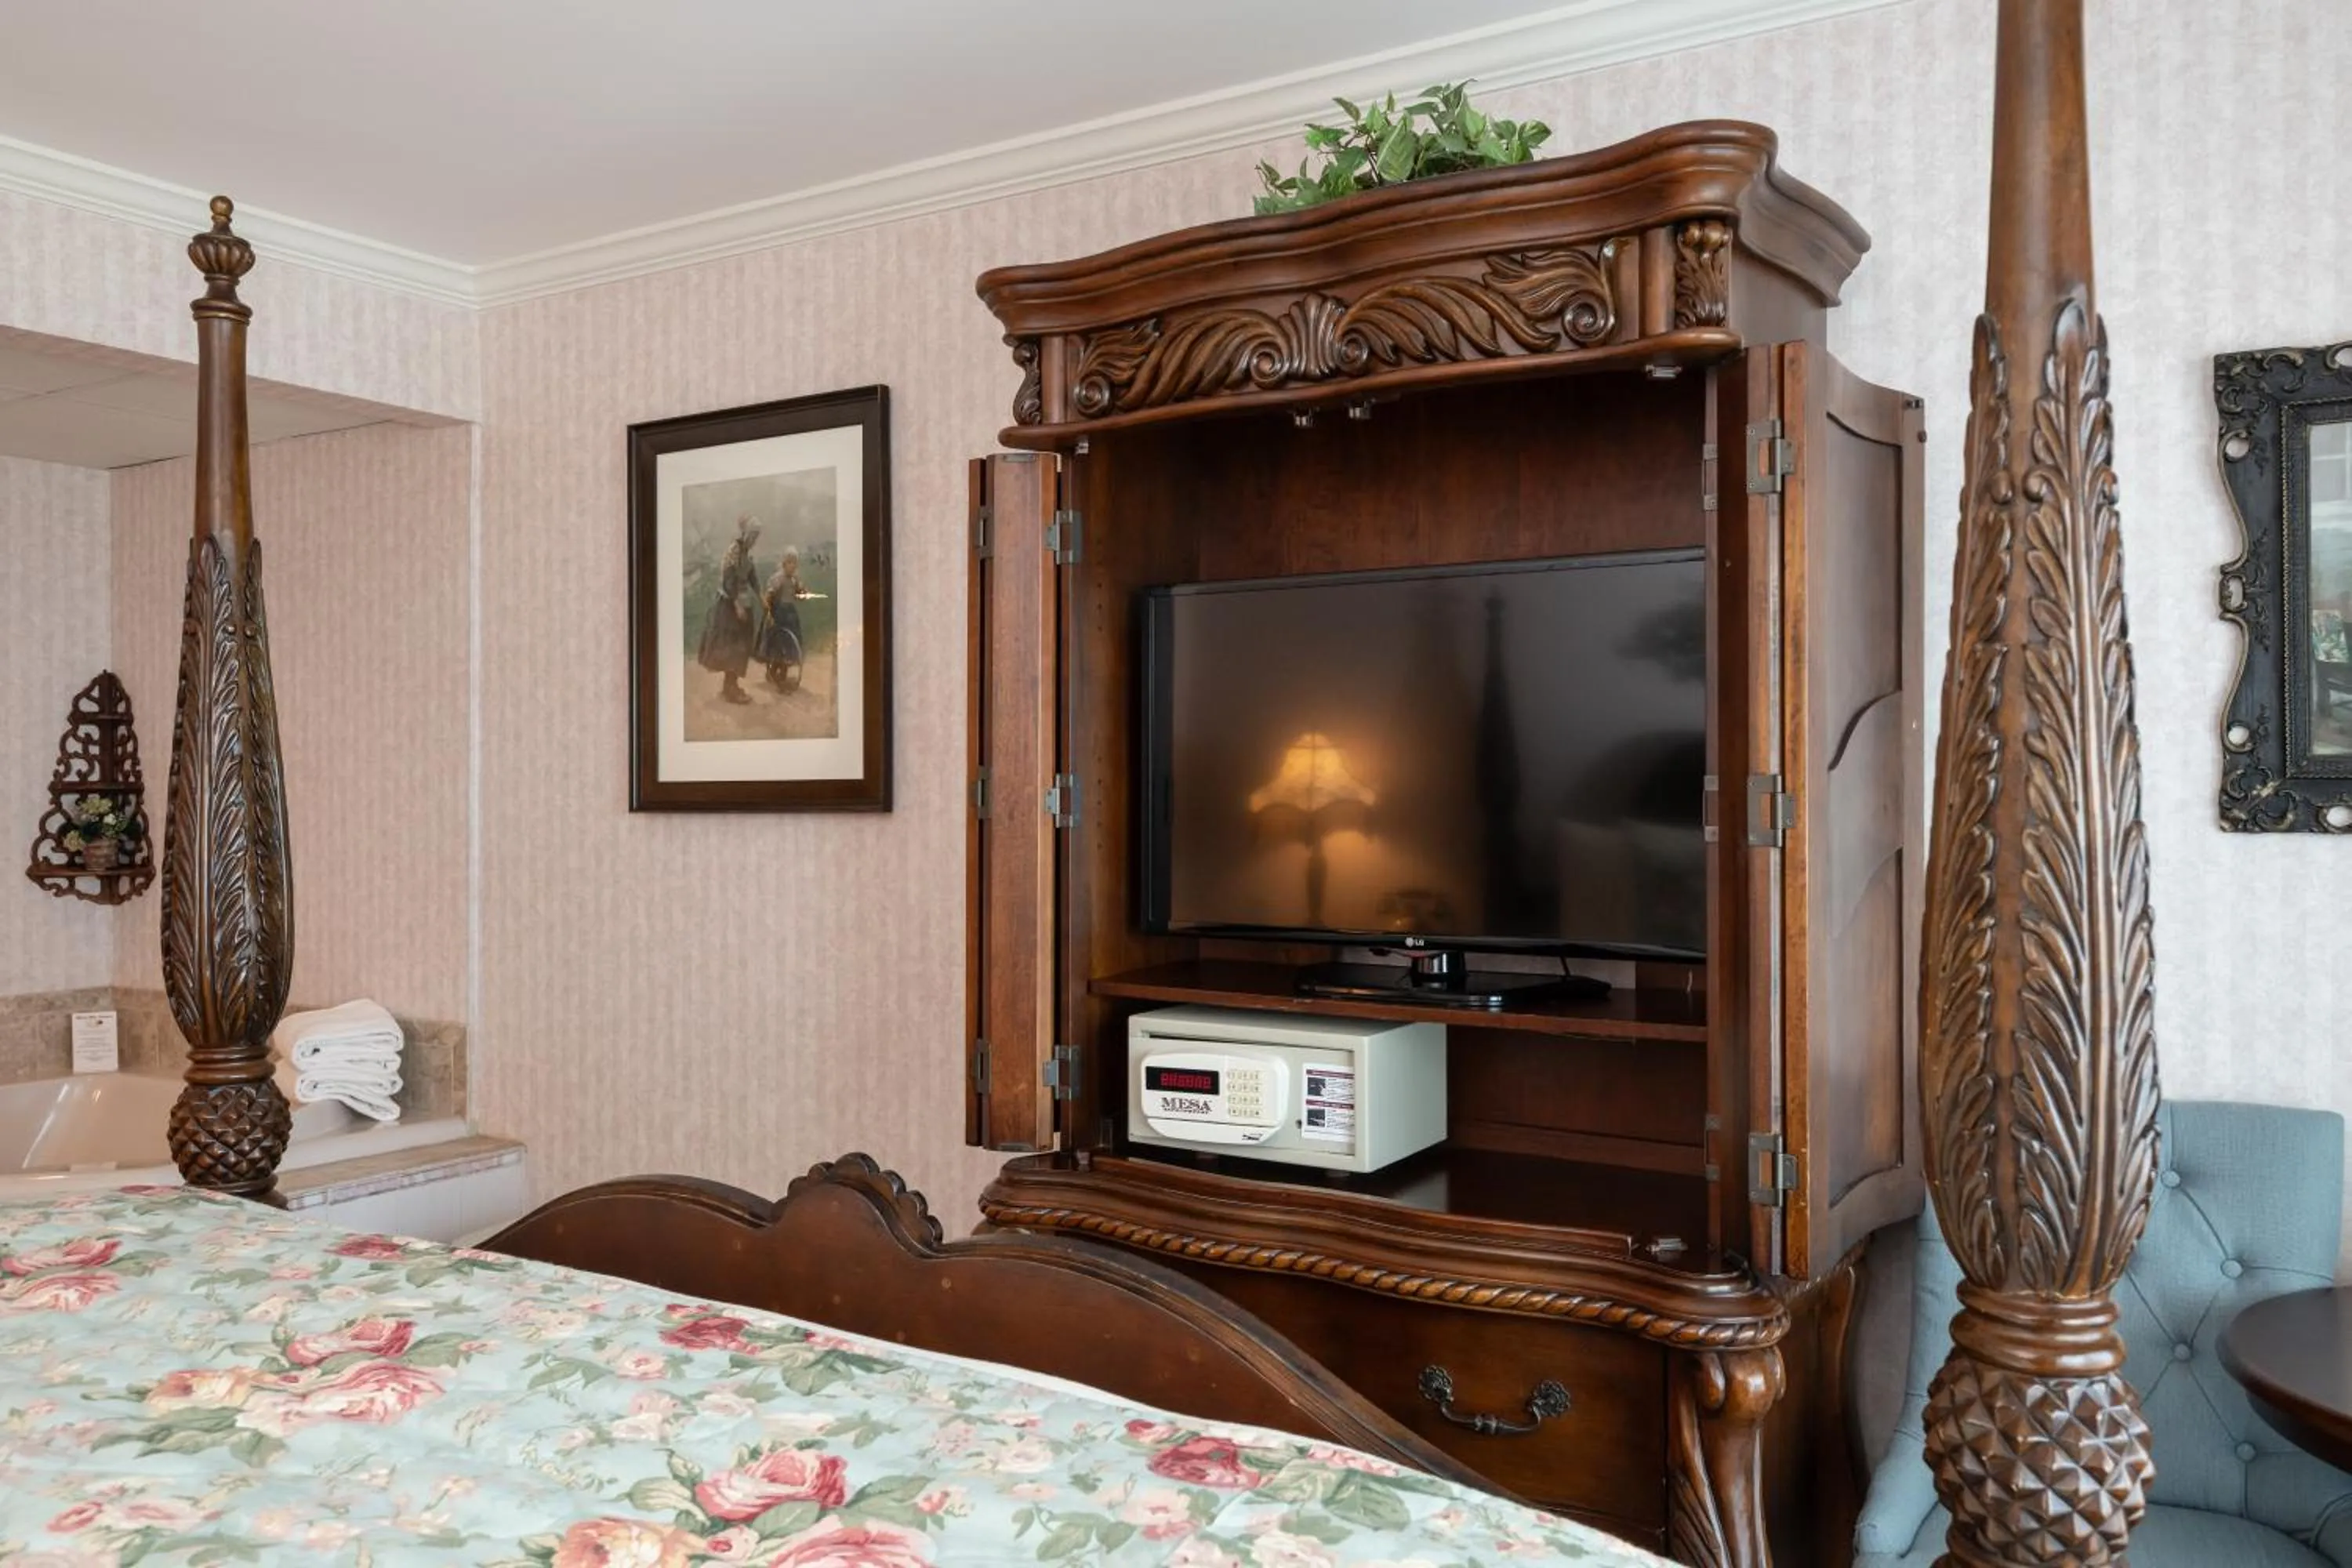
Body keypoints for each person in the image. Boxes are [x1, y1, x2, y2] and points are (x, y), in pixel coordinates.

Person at [695, 516, 761, 703]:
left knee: (741, 647)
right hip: (729, 605)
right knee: (731, 647)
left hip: (742, 603)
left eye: (757, 536)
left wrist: (761, 595)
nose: (755, 539)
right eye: (753, 535)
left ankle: (731, 684)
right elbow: (728, 580)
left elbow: (752, 577)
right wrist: (737, 605)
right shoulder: (734, 551)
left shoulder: (747, 554)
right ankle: (730, 689)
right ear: (746, 533)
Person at [757, 546, 808, 688]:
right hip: (779, 612)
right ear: (784, 563)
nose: (793, 566)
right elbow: (769, 596)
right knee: (779, 643)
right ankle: (775, 670)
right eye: (790, 562)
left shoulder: (794, 579)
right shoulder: (778, 579)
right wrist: (768, 613)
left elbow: (799, 595)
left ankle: (785, 668)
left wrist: (802, 592)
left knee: (792, 642)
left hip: (790, 614)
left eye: (795, 563)